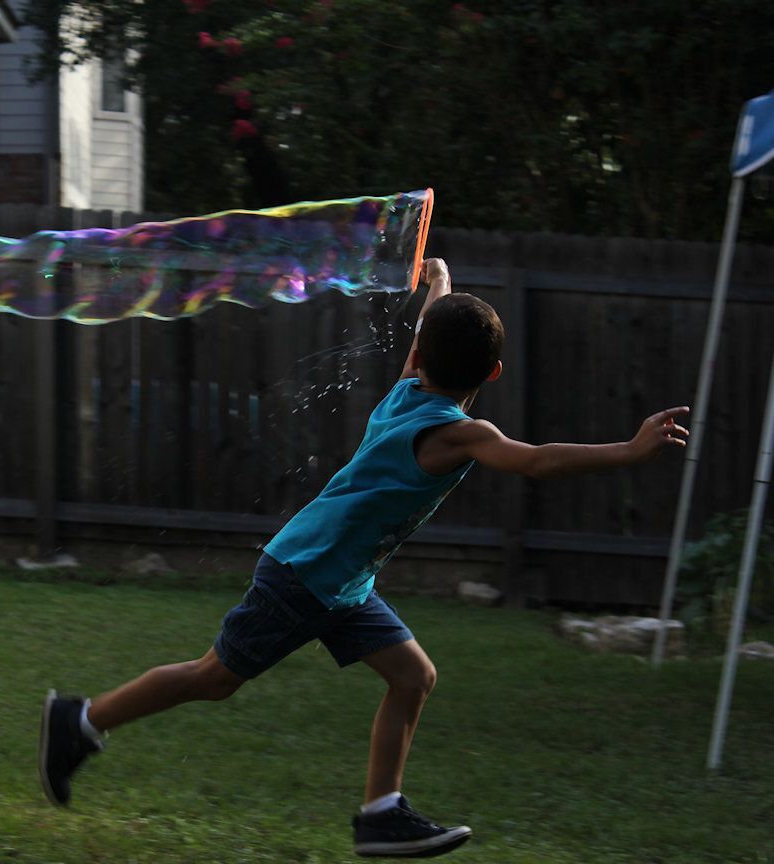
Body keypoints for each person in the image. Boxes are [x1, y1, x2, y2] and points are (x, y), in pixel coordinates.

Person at [39, 258, 689, 858]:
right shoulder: (459, 432)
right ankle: (81, 719)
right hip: (306, 572)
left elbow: (432, 338)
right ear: (493, 373)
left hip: (343, 579)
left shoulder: (409, 389)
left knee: (413, 677)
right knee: (214, 678)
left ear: (418, 354)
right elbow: (536, 459)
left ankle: (381, 813)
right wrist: (627, 452)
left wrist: (440, 283)